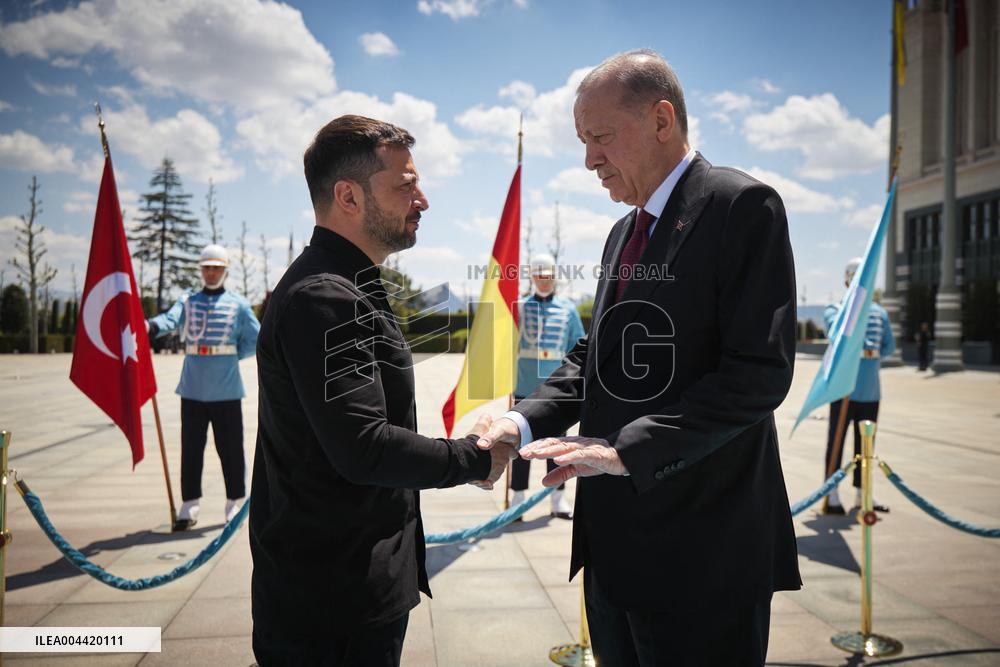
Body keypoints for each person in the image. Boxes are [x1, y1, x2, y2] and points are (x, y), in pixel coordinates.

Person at [477, 50, 800, 665]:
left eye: (600, 137)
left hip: (701, 555)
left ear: (661, 120)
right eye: (582, 141)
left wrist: (628, 449)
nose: (589, 159)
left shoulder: (742, 207)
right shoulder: (623, 234)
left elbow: (758, 374)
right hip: (612, 552)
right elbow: (595, 355)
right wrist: (518, 425)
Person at [249, 115, 514, 666]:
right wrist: (474, 457)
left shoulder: (348, 283)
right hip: (332, 602)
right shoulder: (327, 295)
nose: (423, 200)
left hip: (338, 584)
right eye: (406, 185)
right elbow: (363, 445)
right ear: (348, 195)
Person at [147, 244, 260, 530]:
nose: (211, 273)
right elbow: (169, 320)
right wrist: (149, 326)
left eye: (217, 268)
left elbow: (255, 337)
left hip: (227, 388)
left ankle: (235, 500)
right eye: (207, 268)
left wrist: (233, 355)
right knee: (191, 447)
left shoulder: (238, 304)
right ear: (201, 270)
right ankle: (190, 503)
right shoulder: (187, 301)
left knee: (231, 448)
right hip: (194, 388)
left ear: (225, 271)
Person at [511, 253, 586, 519]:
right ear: (531, 277)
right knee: (519, 445)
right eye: (538, 275)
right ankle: (518, 497)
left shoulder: (568, 309)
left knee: (557, 445)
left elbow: (578, 347)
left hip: (557, 389)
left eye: (548, 275)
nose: (544, 280)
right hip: (523, 386)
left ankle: (557, 497)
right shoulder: (518, 308)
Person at [821, 258, 896, 514]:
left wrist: (868, 353)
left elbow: (889, 346)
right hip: (843, 389)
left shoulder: (879, 312)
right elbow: (836, 334)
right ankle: (830, 494)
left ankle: (862, 495)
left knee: (865, 447)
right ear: (847, 280)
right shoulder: (836, 309)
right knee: (837, 443)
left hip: (870, 390)